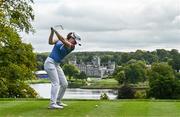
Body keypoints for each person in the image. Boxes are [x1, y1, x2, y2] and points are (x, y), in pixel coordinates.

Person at [44, 27, 81, 109]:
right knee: (56, 83)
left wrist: (55, 31)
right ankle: (52, 104)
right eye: (75, 41)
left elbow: (63, 40)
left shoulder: (71, 46)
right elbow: (50, 42)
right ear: (71, 37)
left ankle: (58, 101)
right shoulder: (59, 40)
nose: (75, 43)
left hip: (56, 64)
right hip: (49, 62)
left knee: (64, 84)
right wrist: (52, 32)